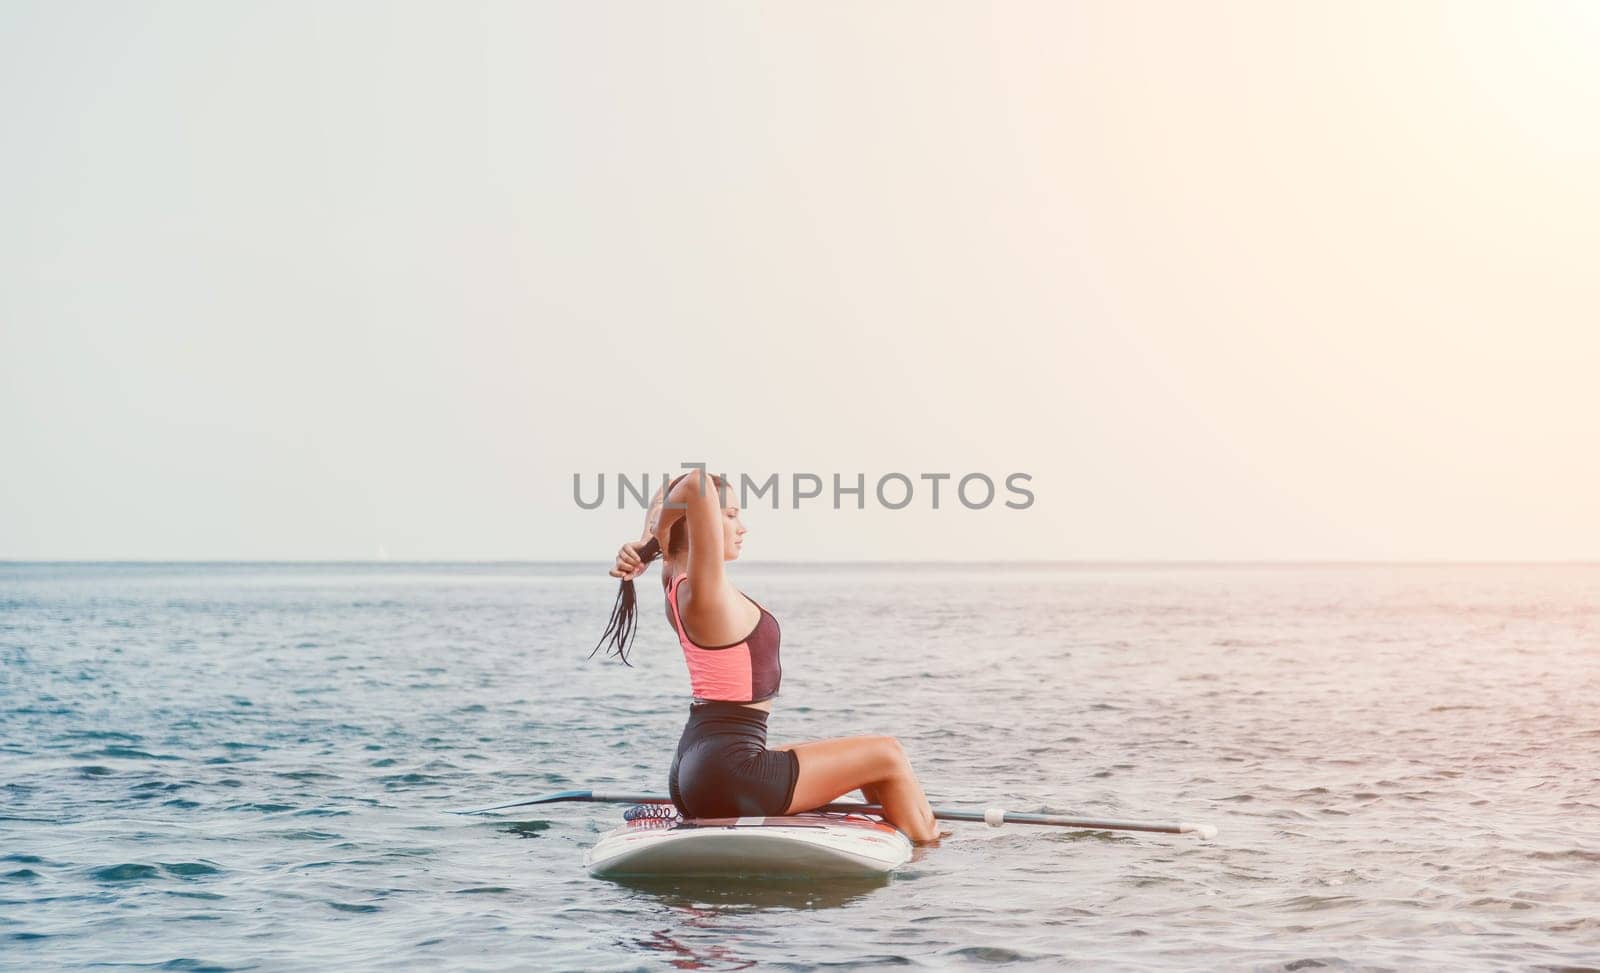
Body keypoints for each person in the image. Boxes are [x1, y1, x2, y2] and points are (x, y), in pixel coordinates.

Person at [591, 468, 939, 843]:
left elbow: (669, 494)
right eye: (729, 515)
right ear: (696, 521)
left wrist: (648, 543)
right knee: (887, 753)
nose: (742, 527)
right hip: (728, 771)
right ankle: (930, 850)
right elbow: (695, 481)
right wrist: (655, 534)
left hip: (695, 767)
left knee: (859, 758)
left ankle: (902, 827)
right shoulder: (705, 591)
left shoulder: (675, 581)